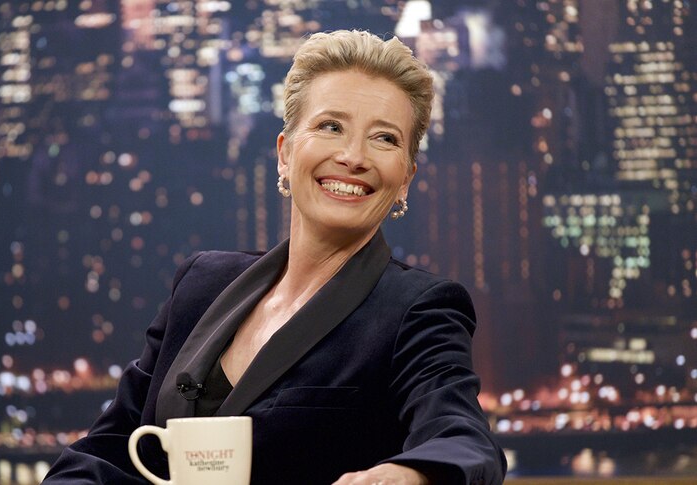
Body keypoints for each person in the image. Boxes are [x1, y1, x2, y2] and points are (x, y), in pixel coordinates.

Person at [43, 30, 507, 485]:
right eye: (330, 126)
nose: (353, 156)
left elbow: (463, 438)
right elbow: (108, 451)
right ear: (285, 154)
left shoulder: (420, 308)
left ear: (405, 176)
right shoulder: (202, 283)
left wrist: (409, 475)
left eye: (384, 139)